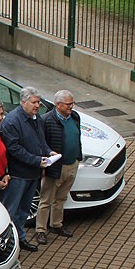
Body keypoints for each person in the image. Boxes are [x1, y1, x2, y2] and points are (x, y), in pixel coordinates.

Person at [0, 86, 59, 252]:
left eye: (39, 102)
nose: (37, 105)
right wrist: (36, 160)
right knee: (10, 211)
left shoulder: (36, 118)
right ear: (23, 102)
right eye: (34, 102)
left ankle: (20, 238)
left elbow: (41, 141)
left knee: (24, 210)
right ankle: (7, 245)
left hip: (33, 173)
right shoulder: (12, 121)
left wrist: (48, 152)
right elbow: (14, 149)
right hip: (19, 175)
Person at [37, 90, 82, 244]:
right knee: (46, 200)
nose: (72, 106)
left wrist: (78, 157)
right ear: (58, 105)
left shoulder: (75, 117)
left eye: (72, 103)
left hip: (72, 165)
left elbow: (77, 137)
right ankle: (40, 230)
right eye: (68, 104)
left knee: (61, 198)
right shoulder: (46, 121)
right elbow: (42, 144)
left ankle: (56, 224)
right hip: (55, 168)